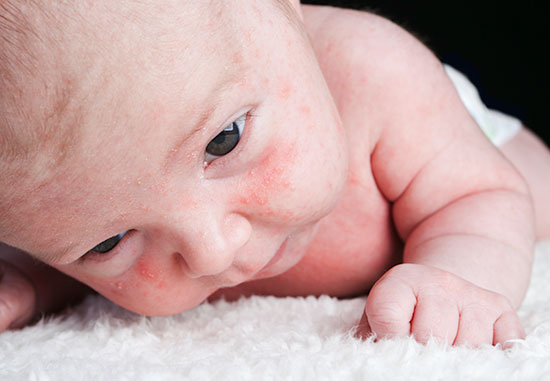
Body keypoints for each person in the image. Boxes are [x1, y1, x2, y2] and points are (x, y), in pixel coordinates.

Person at [1, 0, 549, 346]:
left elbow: (482, 195)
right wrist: (30, 281)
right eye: (109, 241)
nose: (212, 252)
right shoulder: (61, 197)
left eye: (224, 139)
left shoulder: (376, 77)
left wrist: (459, 278)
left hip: (482, 145)